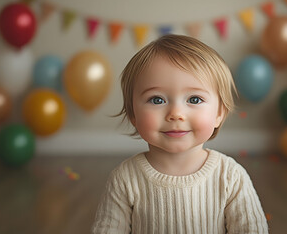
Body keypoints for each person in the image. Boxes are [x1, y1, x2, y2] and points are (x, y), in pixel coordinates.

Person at [92, 34, 268, 233]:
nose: (176, 114)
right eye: (157, 100)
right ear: (133, 114)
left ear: (219, 114)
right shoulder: (125, 179)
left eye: (194, 99)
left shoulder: (229, 177)